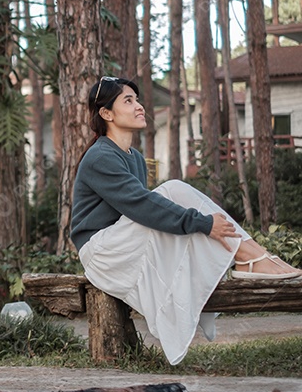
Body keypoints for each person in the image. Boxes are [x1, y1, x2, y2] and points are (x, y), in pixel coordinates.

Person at [71, 75, 301, 364]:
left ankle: (251, 256)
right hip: (101, 252)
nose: (139, 106)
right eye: (128, 101)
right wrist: (203, 223)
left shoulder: (135, 158)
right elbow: (141, 206)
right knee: (173, 191)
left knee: (174, 198)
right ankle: (251, 256)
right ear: (106, 114)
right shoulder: (100, 156)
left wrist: (197, 223)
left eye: (137, 99)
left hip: (124, 241)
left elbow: (145, 214)